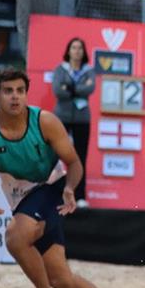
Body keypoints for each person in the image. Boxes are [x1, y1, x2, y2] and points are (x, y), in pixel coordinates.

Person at [0, 68, 135, 288]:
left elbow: (74, 162)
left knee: (15, 237)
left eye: (20, 91)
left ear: (26, 94)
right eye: (8, 91)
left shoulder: (44, 121)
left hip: (51, 187)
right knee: (61, 278)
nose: (15, 96)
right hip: (21, 201)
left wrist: (70, 188)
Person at [51, 36, 95, 207]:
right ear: (68, 51)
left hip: (82, 119)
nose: (77, 51)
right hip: (62, 117)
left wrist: (68, 87)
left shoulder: (88, 70)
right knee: (55, 156)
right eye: (74, 48)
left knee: (80, 157)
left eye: (80, 48)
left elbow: (90, 88)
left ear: (84, 52)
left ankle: (80, 196)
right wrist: (78, 90)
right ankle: (53, 193)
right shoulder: (60, 69)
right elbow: (57, 90)